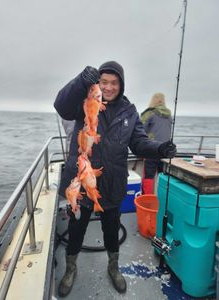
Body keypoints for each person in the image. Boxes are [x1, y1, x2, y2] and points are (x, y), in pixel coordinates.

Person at [54, 61, 176, 297]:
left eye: (114, 82)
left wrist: (160, 149)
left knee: (111, 229)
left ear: (121, 84)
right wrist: (81, 81)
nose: (108, 87)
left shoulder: (129, 111)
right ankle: (71, 268)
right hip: (82, 181)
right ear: (96, 84)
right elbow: (61, 106)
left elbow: (139, 142)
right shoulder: (85, 102)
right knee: (76, 227)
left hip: (113, 182)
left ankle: (113, 267)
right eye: (103, 82)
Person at [140, 93, 172, 194]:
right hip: (166, 151)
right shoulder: (169, 115)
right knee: (163, 176)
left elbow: (140, 130)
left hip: (152, 150)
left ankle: (146, 200)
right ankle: (161, 200)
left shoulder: (150, 113)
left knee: (148, 176)